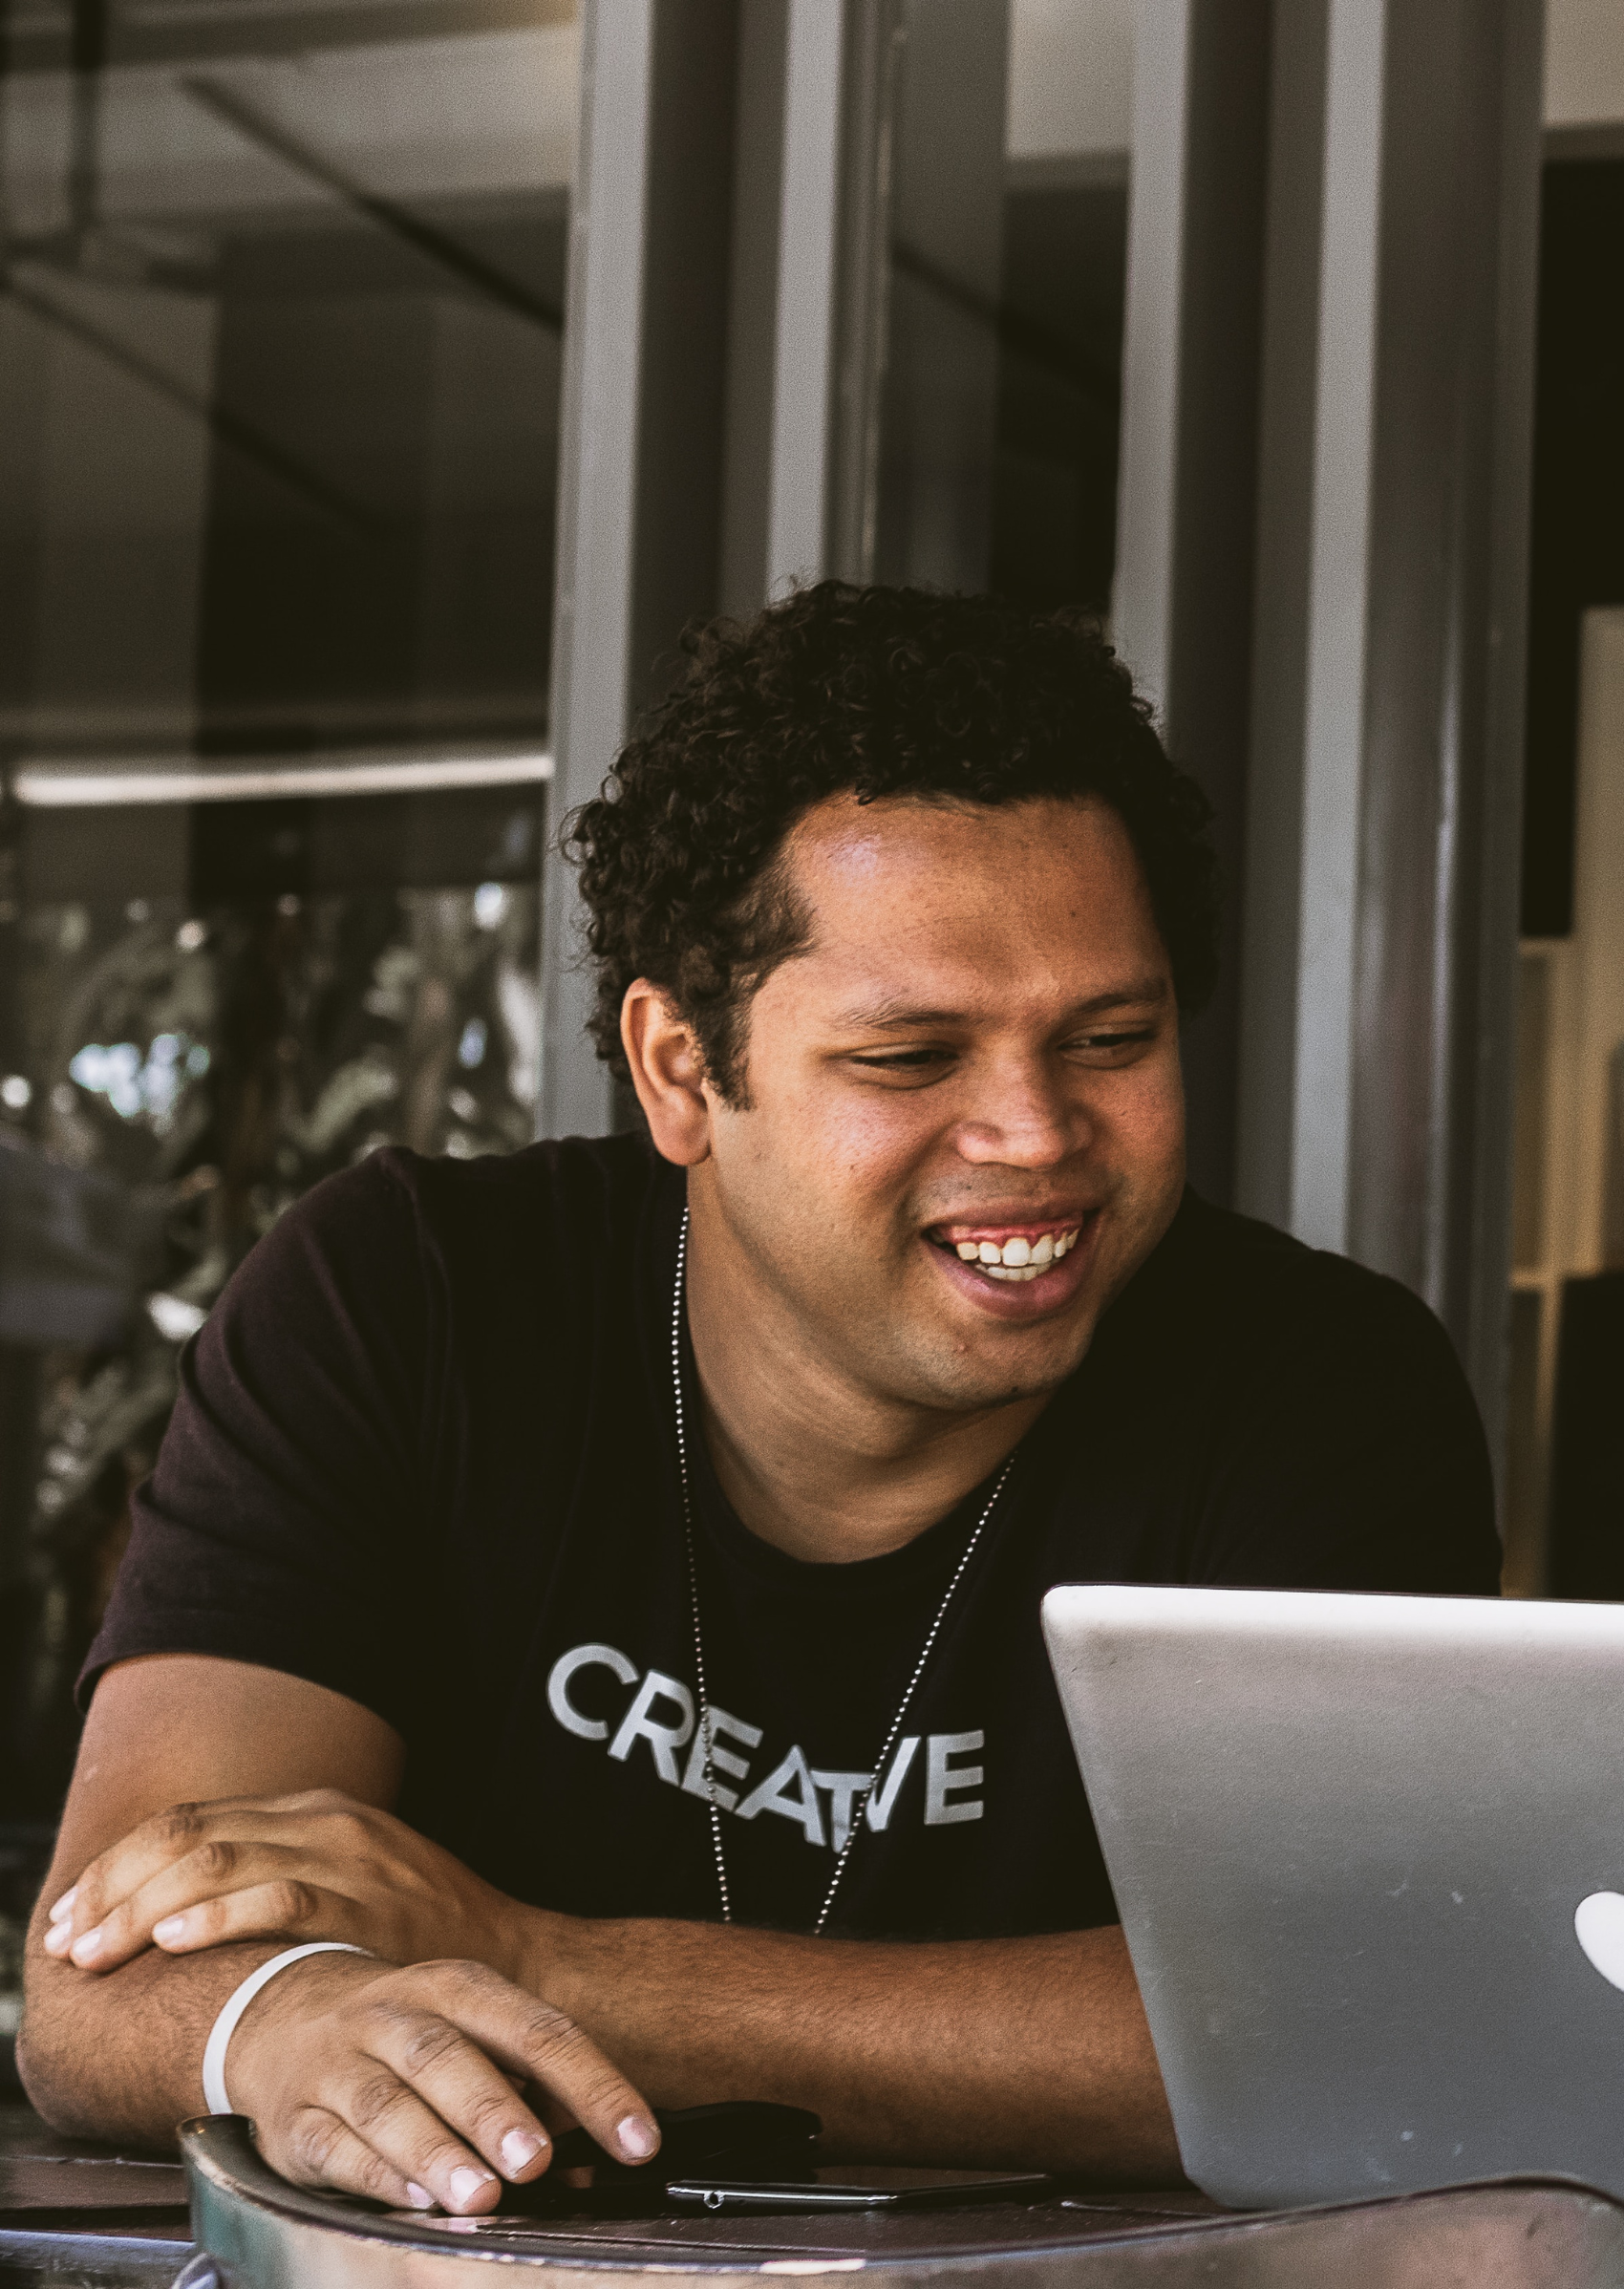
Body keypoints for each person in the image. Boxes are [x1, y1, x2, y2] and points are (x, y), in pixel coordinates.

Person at [16, 585, 1499, 2212]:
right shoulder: (415, 1300)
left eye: (1111, 1037)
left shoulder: (1319, 1390)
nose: (1035, 1130)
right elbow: (107, 1971)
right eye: (911, 1058)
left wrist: (532, 1963)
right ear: (677, 1072)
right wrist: (280, 2021)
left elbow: (1331, 2026)